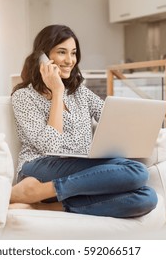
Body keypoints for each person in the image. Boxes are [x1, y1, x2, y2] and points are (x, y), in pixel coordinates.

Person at [10, 24, 157, 218]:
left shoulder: (80, 93)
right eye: (62, 52)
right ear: (43, 57)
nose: (70, 60)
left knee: (147, 197)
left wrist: (139, 125)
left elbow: (112, 117)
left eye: (73, 53)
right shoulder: (23, 96)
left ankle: (41, 202)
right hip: (40, 167)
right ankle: (37, 190)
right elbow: (50, 145)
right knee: (137, 171)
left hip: (82, 169)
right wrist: (57, 91)